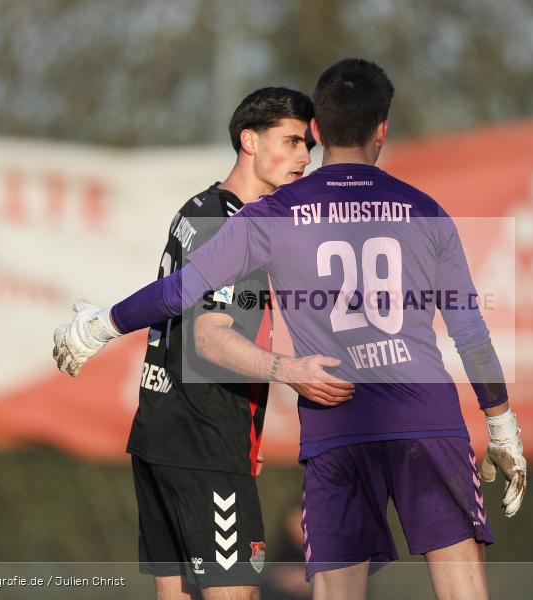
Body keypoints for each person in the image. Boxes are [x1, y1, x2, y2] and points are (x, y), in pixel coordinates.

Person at [54, 59, 526, 600]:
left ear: (319, 132)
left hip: (337, 419)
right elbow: (469, 330)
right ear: (382, 130)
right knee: (462, 585)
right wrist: (502, 426)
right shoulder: (428, 211)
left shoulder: (268, 214)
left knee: (336, 589)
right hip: (426, 415)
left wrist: (103, 325)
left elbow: (177, 292)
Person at [112, 87, 352, 600]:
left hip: (160, 428)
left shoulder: (200, 208)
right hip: (204, 437)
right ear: (249, 140)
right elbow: (212, 338)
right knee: (235, 593)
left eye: (308, 146)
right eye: (290, 141)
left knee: (175, 594)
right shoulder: (231, 224)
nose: (304, 158)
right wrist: (293, 370)